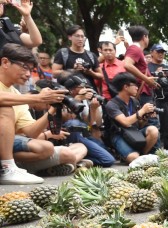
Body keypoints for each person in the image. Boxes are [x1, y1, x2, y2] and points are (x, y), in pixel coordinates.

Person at [0, 43, 87, 183]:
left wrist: (52, 109)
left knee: (52, 148)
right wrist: (39, 97)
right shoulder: (18, 97)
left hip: (9, 146)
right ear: (5, 62)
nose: (28, 74)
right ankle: (7, 167)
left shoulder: (16, 93)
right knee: (5, 107)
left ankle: (13, 166)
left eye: (31, 69)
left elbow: (31, 132)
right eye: (24, 67)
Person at [56, 72, 115, 167]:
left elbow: (92, 124)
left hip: (86, 134)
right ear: (72, 89)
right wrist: (77, 99)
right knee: (107, 160)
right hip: (70, 135)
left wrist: (93, 109)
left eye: (86, 86)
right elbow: (68, 120)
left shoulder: (87, 99)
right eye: (82, 87)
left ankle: (82, 160)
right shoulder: (64, 98)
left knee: (109, 158)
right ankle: (75, 159)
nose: (85, 89)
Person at [104, 72, 159, 164]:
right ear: (126, 87)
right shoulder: (112, 104)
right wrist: (142, 111)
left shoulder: (134, 101)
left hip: (134, 132)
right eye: (135, 85)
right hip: (119, 134)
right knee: (133, 157)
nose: (137, 88)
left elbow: (140, 124)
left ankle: (142, 155)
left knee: (153, 130)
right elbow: (125, 122)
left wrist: (146, 117)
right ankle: (129, 156)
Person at [52, 25, 102, 91]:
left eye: (82, 36)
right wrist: (73, 70)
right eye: (77, 36)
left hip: (90, 92)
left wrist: (90, 72)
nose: (80, 39)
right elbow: (54, 73)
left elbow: (101, 76)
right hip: (69, 93)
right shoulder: (63, 53)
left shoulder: (91, 55)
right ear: (70, 37)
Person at [147, 43, 168, 151]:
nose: (161, 54)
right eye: (158, 52)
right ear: (152, 52)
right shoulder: (147, 67)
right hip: (153, 99)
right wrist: (156, 75)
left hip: (167, 100)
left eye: (162, 52)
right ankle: (155, 151)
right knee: (154, 125)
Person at [123, 25, 159, 107]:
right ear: (144, 37)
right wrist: (146, 79)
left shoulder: (137, 49)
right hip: (141, 93)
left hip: (144, 92)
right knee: (151, 119)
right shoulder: (135, 48)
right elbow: (127, 65)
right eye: (148, 37)